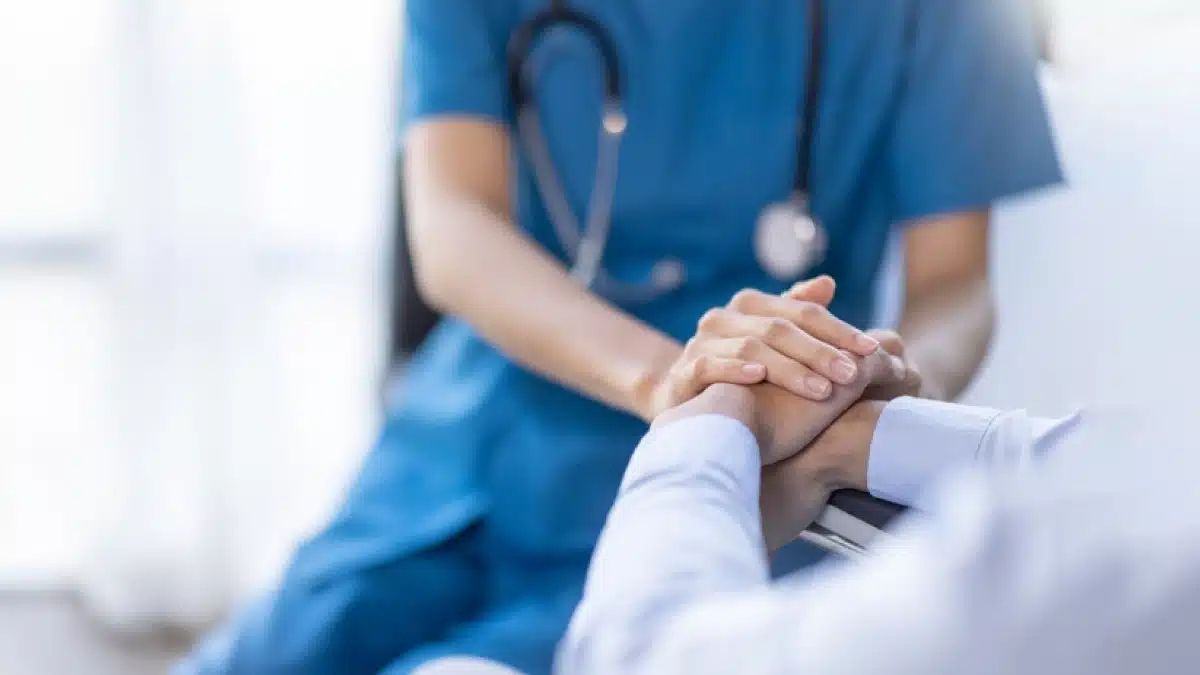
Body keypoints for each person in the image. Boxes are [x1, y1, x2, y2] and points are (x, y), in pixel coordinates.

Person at [178, 0, 1061, 672]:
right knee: (283, 644)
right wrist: (676, 382)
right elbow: (451, 228)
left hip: (764, 471)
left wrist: (886, 381)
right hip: (485, 436)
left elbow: (955, 285)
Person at [550, 382, 1197, 675]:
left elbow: (641, 658)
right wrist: (861, 435)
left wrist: (709, 419)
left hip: (665, 545)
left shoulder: (1074, 578)